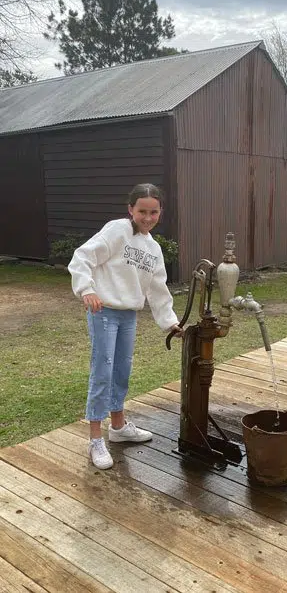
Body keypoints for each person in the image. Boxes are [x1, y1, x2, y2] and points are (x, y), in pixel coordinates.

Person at [68, 183, 183, 469]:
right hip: (103, 311)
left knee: (122, 369)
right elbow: (83, 256)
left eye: (153, 212)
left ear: (160, 213)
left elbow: (157, 289)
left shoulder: (154, 249)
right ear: (130, 209)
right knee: (103, 370)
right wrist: (87, 289)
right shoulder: (118, 230)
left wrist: (171, 322)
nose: (147, 217)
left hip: (129, 314)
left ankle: (118, 428)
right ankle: (96, 437)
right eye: (142, 211)